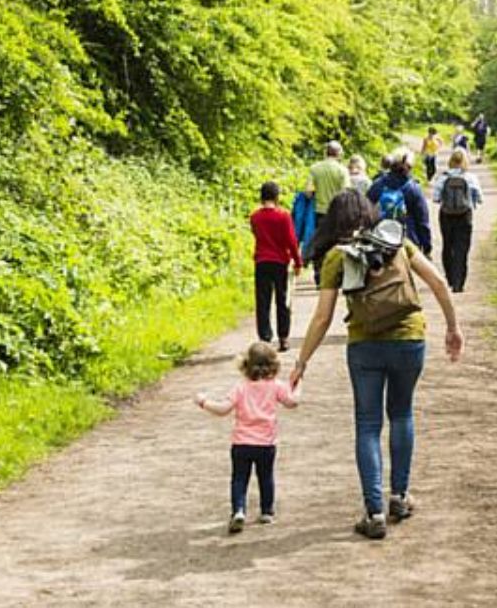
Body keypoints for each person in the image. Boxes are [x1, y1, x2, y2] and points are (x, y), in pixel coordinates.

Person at [292, 191, 464, 540]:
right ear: (370, 213)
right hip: (408, 339)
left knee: (368, 424)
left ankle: (374, 513)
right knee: (402, 414)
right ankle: (399, 497)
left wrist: (301, 361)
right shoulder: (397, 242)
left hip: (365, 346)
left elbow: (322, 317)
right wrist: (452, 327)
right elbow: (439, 283)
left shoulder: (337, 258)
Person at [195, 342, 302, 533]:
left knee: (239, 479)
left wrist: (203, 401)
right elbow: (292, 402)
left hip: (241, 443)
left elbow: (222, 409)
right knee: (266, 476)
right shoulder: (275, 386)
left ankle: (238, 511)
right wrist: (298, 383)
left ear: (245, 365)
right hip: (266, 444)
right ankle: (266, 511)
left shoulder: (240, 388)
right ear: (274, 366)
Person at [250, 181, 302, 351]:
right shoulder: (283, 216)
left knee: (263, 301)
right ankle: (283, 337)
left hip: (261, 261)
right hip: (280, 262)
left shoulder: (255, 217)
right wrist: (298, 261)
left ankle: (265, 337)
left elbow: (257, 235)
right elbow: (291, 241)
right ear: (277, 196)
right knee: (283, 300)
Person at [432, 149, 483, 292]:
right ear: (465, 161)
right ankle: (459, 282)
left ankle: (449, 277)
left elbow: (436, 199)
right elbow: (480, 198)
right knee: (462, 248)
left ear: (451, 161)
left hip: (446, 215)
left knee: (448, 245)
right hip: (465, 215)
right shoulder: (471, 178)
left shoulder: (442, 177)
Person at [366, 147, 432, 258]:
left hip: (380, 239)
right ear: (410, 167)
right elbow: (422, 220)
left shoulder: (378, 184)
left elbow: (366, 210)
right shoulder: (414, 188)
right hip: (407, 241)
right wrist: (427, 247)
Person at [306, 141, 349, 283]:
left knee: (320, 243)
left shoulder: (315, 169)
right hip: (338, 213)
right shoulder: (342, 171)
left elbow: (308, 192)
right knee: (337, 244)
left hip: (320, 212)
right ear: (339, 154)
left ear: (326, 152)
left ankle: (319, 275)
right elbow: (346, 193)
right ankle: (337, 275)